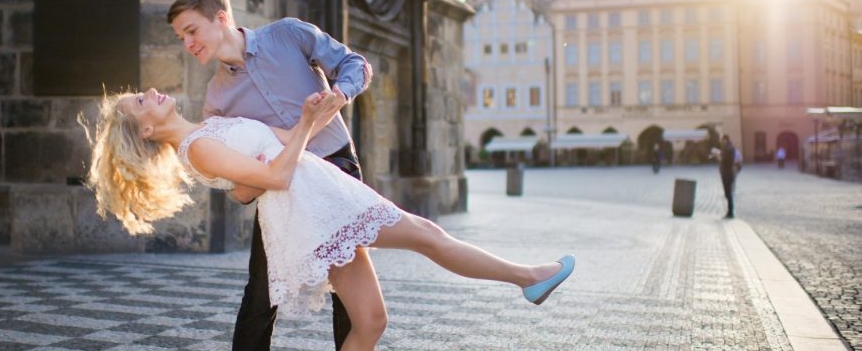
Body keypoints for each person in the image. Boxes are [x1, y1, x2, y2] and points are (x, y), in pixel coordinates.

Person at [84, 87, 576, 351]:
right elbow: (275, 176)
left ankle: (528, 280)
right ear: (146, 129)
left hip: (319, 195)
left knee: (372, 321)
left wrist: (320, 109)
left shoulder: (210, 128)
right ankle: (528, 278)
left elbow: (255, 178)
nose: (150, 91)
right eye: (141, 101)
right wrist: (300, 126)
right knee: (427, 235)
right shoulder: (197, 147)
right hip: (309, 208)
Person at [166, 0, 370, 350]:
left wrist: (340, 95)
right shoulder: (216, 100)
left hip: (336, 167)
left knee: (350, 293)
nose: (188, 43)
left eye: (192, 31)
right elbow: (236, 182)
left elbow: (354, 63)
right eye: (182, 37)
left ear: (221, 18)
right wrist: (249, 179)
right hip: (281, 188)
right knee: (261, 293)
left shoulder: (289, 34)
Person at [718, 135, 737, 219]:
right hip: (728, 173)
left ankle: (730, 212)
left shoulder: (728, 148)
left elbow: (724, 160)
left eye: (722, 140)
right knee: (728, 193)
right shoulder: (729, 147)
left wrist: (718, 156)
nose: (721, 142)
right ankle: (730, 211)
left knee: (728, 193)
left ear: (725, 140)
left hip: (727, 173)